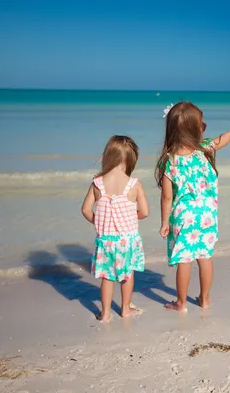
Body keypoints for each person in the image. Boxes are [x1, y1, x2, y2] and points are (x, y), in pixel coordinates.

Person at [155, 102, 230, 312]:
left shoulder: (170, 161)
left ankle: (181, 304)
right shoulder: (206, 149)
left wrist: (165, 221)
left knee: (185, 261)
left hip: (183, 218)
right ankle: (205, 299)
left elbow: (166, 197)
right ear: (196, 129)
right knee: (205, 257)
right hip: (207, 216)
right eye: (203, 124)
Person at [81, 135, 150, 321]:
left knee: (107, 276)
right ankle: (125, 309)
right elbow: (144, 211)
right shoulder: (133, 184)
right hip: (127, 240)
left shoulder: (97, 184)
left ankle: (105, 313)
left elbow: (86, 210)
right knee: (127, 275)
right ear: (130, 159)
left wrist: (99, 222)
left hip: (105, 240)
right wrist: (131, 217)